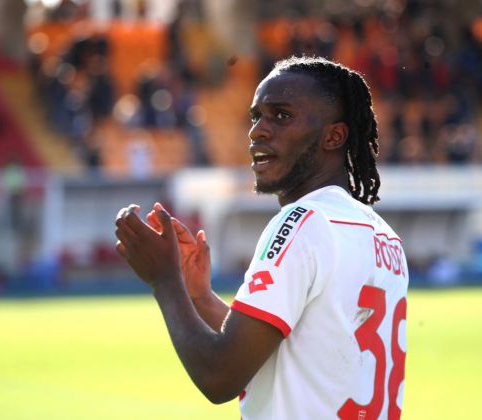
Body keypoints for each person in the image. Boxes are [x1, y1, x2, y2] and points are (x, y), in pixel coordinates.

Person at [115, 56, 409, 419]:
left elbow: (220, 375)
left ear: (334, 136)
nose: (257, 131)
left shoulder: (302, 223)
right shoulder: (384, 236)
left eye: (281, 116)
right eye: (256, 116)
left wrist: (165, 280)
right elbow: (282, 357)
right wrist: (200, 297)